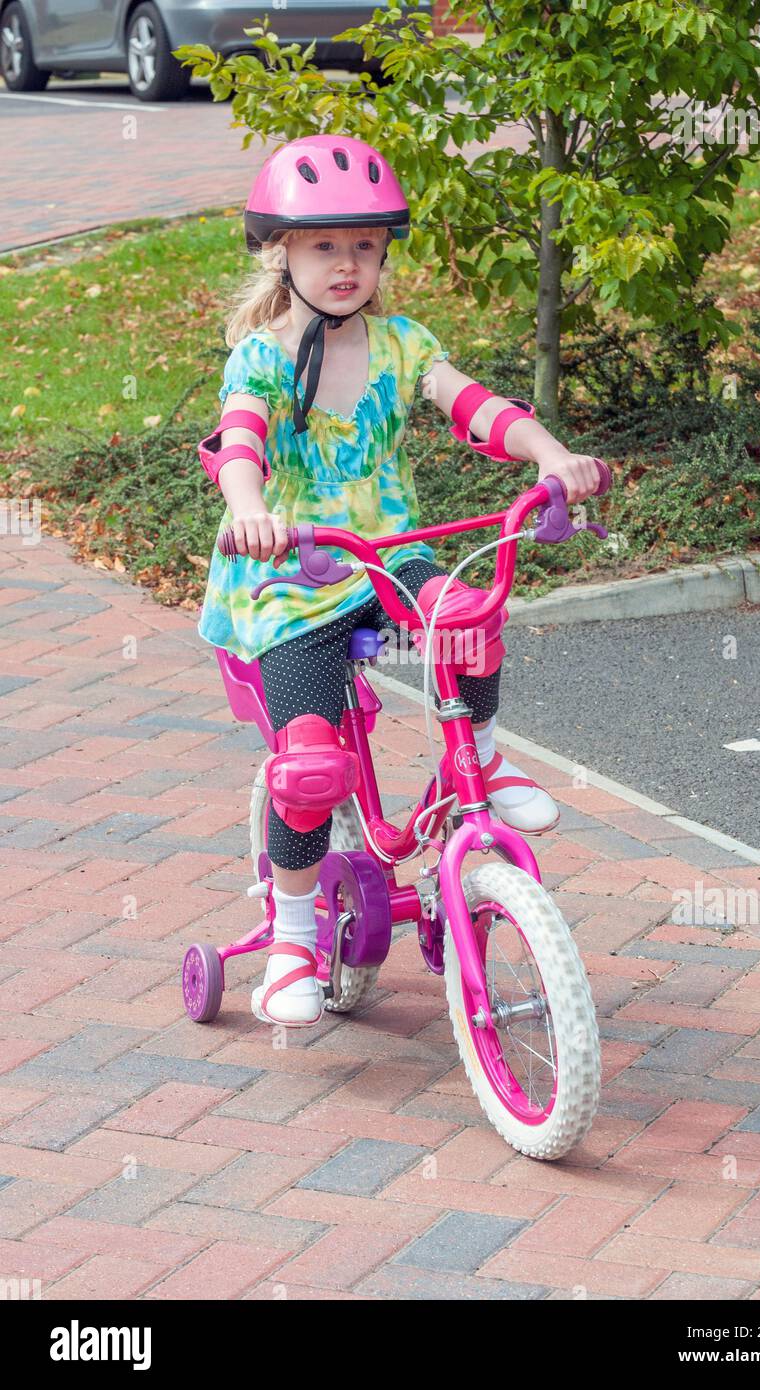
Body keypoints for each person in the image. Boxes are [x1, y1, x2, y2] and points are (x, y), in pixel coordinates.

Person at [197, 134, 601, 1028]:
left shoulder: (402, 344)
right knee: (309, 767)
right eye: (324, 246)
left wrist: (551, 454)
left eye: (365, 245)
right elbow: (239, 440)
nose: (347, 265)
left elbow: (477, 408)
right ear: (282, 252)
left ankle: (482, 761)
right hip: (292, 574)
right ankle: (293, 939)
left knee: (465, 608)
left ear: (384, 253)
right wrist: (249, 505)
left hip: (388, 552)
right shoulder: (262, 357)